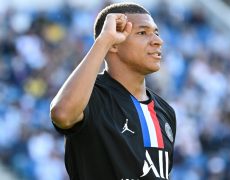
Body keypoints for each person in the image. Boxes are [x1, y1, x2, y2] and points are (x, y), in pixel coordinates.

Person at [50, 2, 176, 180]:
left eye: (156, 32)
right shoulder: (90, 97)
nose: (158, 41)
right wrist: (103, 41)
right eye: (142, 33)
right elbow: (62, 114)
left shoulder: (165, 112)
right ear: (114, 43)